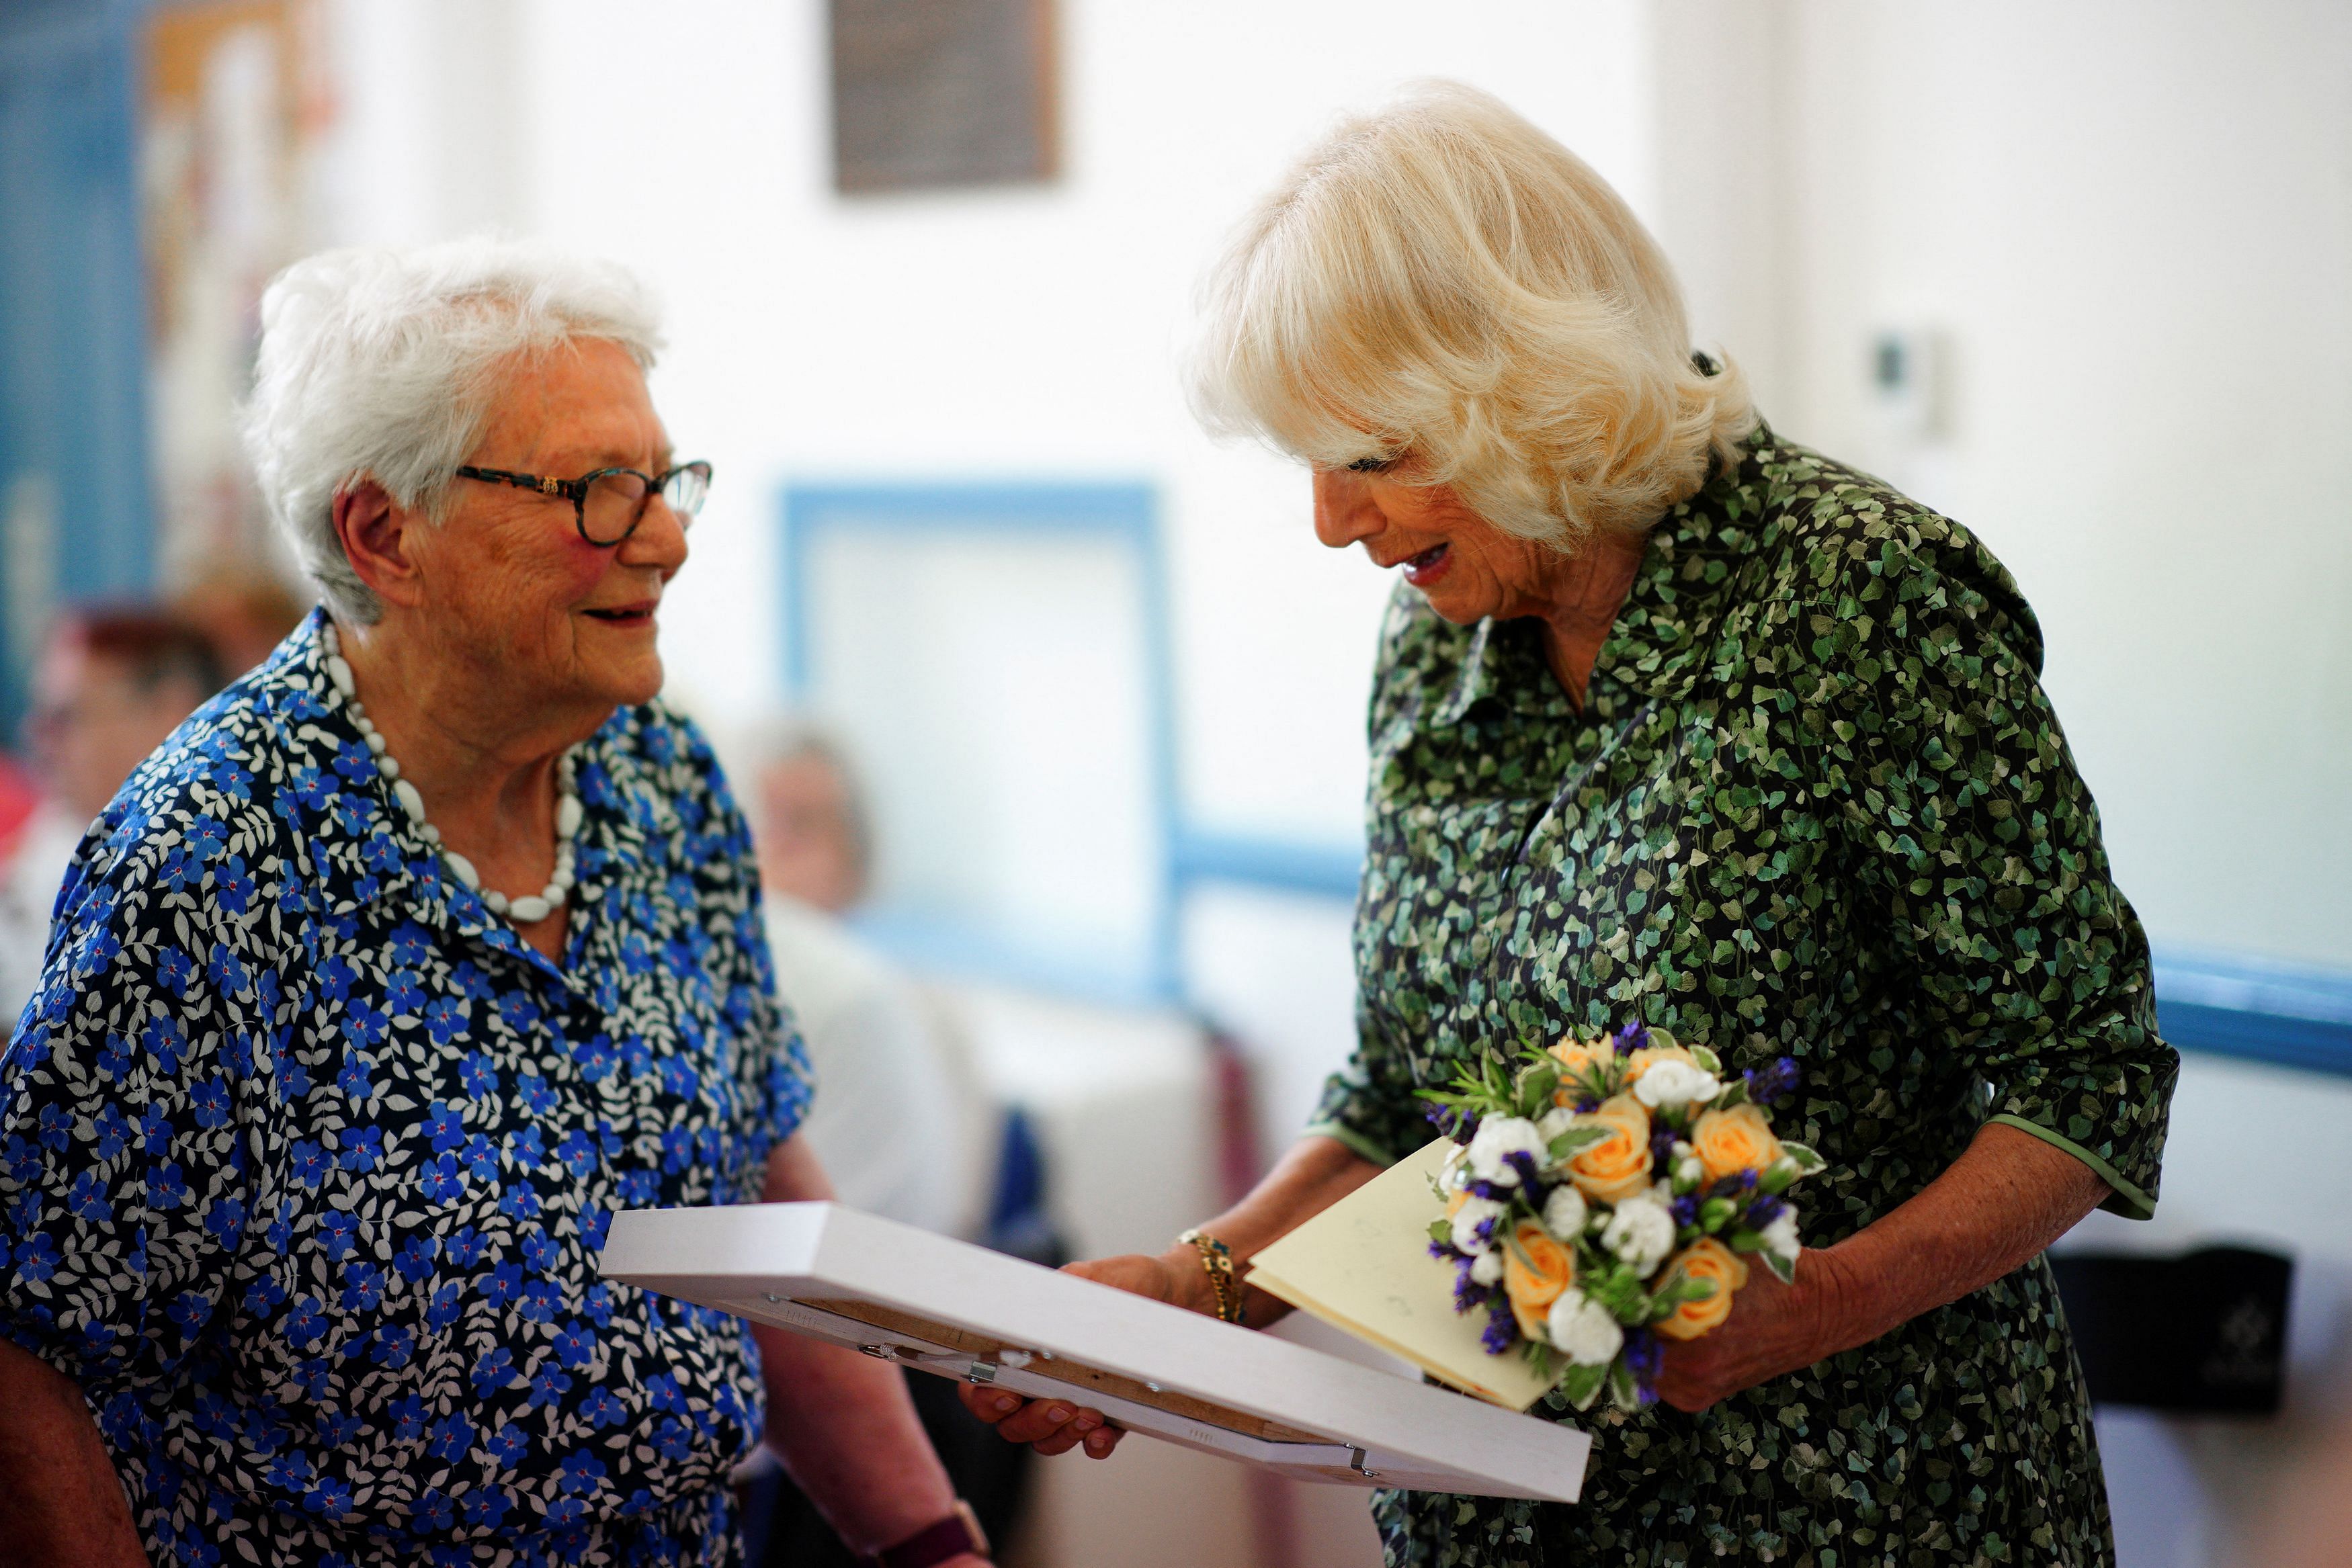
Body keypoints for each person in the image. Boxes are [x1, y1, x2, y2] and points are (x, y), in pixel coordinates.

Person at [969, 83, 2180, 1566]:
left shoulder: (1856, 595)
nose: (1328, 522)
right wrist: (1196, 1285)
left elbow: (2080, 1079)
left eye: (1365, 451)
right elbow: (1399, 1103)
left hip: (1858, 1507)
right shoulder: (1435, 639)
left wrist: (1826, 1302)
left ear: (1527, 381)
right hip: (1501, 1517)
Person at [0, 241, 988, 1568]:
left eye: (666, 480)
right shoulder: (208, 864)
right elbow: (35, 1346)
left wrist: (932, 1544)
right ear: (383, 533)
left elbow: (752, 1190)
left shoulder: (663, 780)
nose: (670, 538)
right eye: (598, 492)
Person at [0, 610, 228, 1025]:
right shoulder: (56, 836)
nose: (37, 736)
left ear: (167, 711)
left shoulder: (211, 875)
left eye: (65, 716)